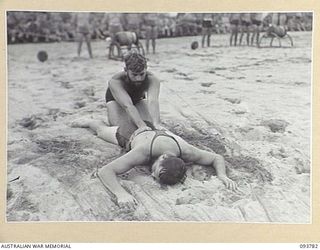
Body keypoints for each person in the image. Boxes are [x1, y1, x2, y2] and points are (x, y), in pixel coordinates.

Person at [71, 117, 238, 210]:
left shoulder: (186, 151)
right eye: (156, 171)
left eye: (154, 175)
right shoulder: (142, 152)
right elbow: (105, 171)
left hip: (152, 128)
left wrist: (222, 175)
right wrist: (121, 194)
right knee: (101, 131)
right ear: (164, 157)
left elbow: (217, 157)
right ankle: (90, 121)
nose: (151, 174)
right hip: (130, 131)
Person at [105, 51, 162, 132]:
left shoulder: (152, 78)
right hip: (116, 100)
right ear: (126, 70)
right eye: (134, 75)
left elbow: (153, 101)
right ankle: (89, 123)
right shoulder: (115, 81)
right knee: (120, 129)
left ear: (146, 69)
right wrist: (141, 125)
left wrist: (156, 123)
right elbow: (127, 105)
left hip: (138, 98)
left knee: (150, 124)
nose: (138, 78)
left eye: (142, 74)